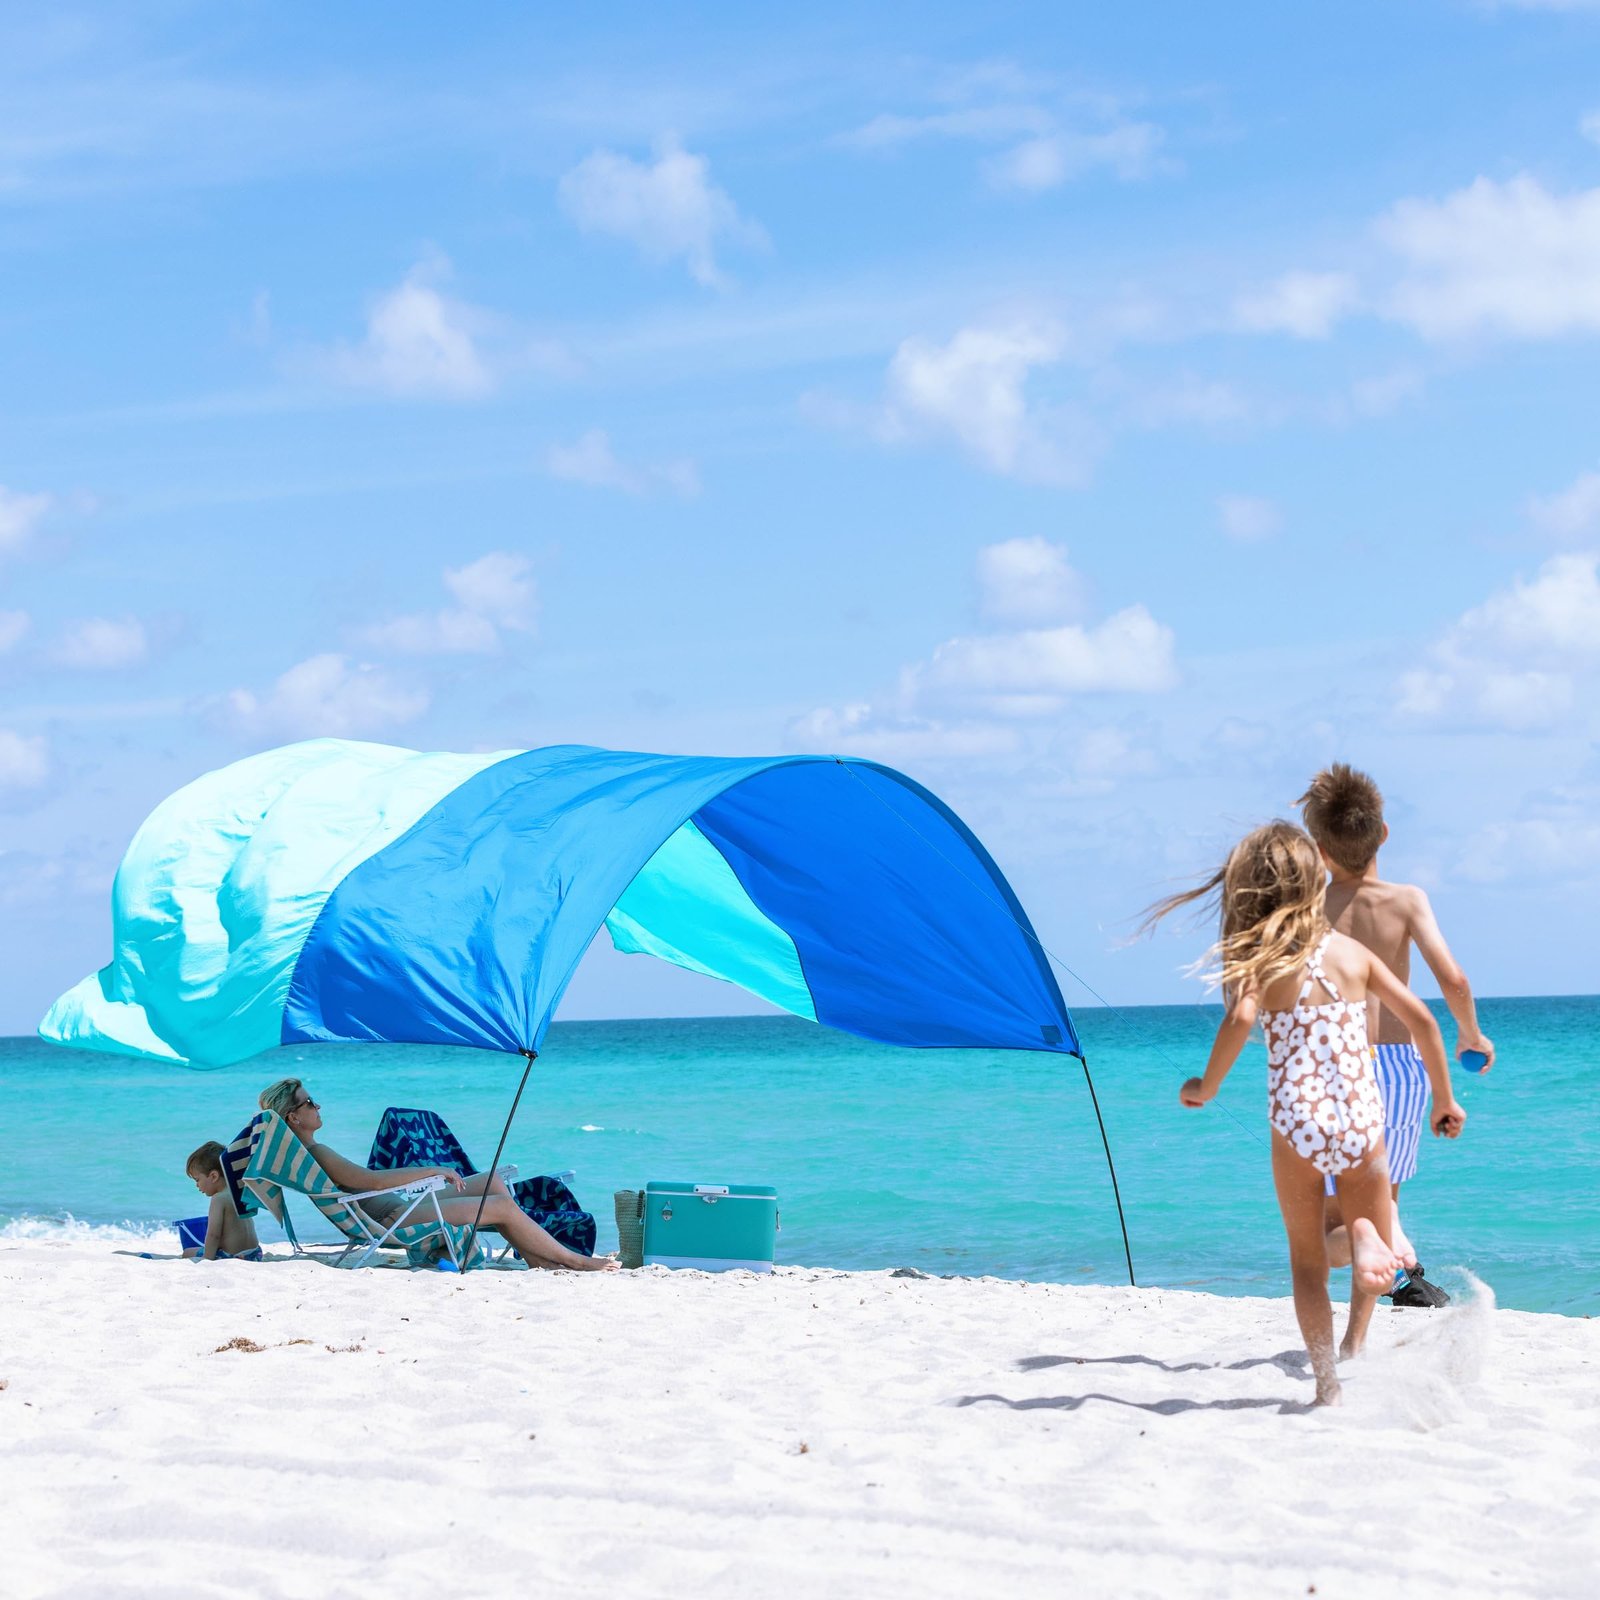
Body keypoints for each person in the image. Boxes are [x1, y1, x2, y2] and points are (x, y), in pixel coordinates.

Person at [1143, 820, 1466, 1406]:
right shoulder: (1352, 954)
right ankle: (1367, 1239)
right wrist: (1444, 1098)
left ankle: (1326, 1387)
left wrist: (1206, 1087)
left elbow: (1241, 1021)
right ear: (1316, 883)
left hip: (1297, 1121)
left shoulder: (1261, 961)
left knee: (1308, 1262)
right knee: (1369, 1224)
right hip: (1363, 1116)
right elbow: (1421, 1020)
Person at [1298, 764, 1494, 1303]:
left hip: (1337, 1069)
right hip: (1402, 1070)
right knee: (1382, 1193)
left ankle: (1376, 1247)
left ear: (1319, 848)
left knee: (1334, 1228)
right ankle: (1398, 1270)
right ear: (1383, 833)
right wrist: (1470, 1035)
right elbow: (1454, 980)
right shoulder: (1407, 900)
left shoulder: (1308, 910)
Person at [257, 1078, 614, 1271]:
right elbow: (374, 1181)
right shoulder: (318, 1153)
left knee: (491, 1180)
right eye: (309, 1102)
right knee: (501, 1207)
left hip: (400, 1208)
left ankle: (535, 1255)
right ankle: (573, 1259)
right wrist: (433, 1170)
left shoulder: (312, 1153)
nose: (317, 1106)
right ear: (293, 1117)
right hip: (395, 1218)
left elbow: (369, 1184)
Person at [185, 1140, 263, 1261]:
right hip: (255, 1254)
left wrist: (207, 1259)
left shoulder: (218, 1199)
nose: (197, 1185)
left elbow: (213, 1235)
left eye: (197, 1180)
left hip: (235, 1257)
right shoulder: (239, 1191)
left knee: (187, 1252)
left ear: (213, 1176)